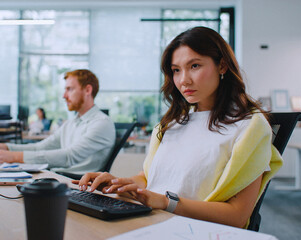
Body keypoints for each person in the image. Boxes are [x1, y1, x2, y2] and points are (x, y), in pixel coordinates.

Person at [73, 27, 283, 228]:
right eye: (176, 70)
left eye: (195, 66)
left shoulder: (249, 127)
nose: (184, 80)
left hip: (192, 230)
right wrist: (118, 183)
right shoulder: (172, 124)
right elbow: (149, 178)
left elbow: (237, 215)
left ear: (222, 66)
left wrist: (166, 202)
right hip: (147, 220)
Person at [0, 69, 116, 175]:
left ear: (87, 90)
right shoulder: (72, 123)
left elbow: (69, 156)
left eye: (69, 89)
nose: (64, 96)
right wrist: (1, 147)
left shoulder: (101, 123)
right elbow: (40, 147)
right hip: (56, 176)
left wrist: (13, 157)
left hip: (74, 184)